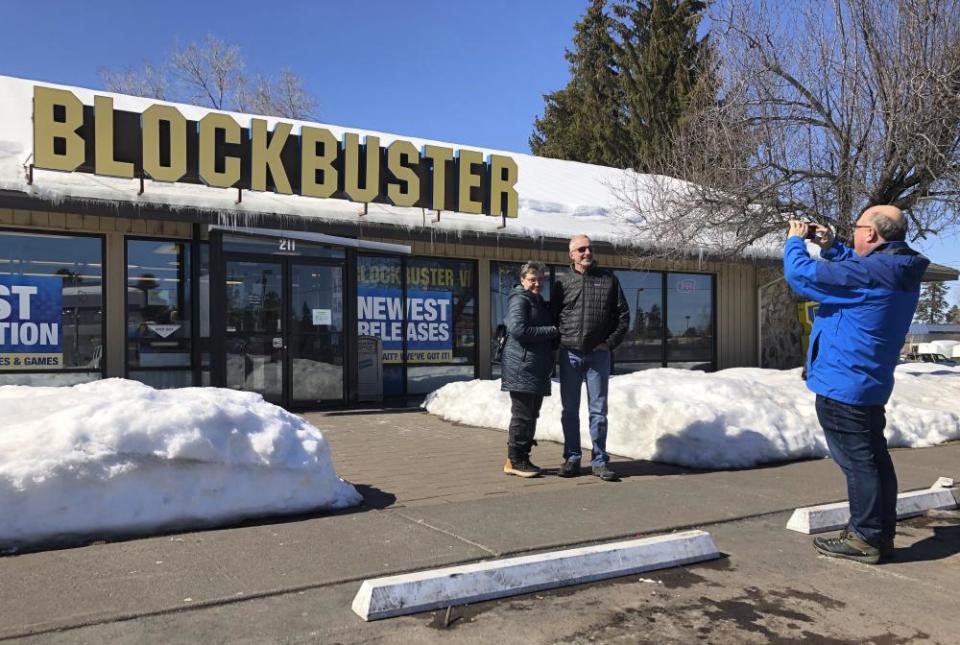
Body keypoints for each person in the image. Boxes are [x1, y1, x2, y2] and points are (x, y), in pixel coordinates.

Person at [783, 206, 929, 564]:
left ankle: (866, 537)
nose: (855, 231)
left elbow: (801, 276)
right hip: (866, 381)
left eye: (858, 227)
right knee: (874, 461)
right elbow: (855, 270)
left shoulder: (872, 273)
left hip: (844, 385)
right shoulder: (894, 269)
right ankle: (878, 532)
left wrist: (794, 241)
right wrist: (833, 246)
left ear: (872, 235)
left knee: (859, 464)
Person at [550, 234, 630, 481]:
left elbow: (623, 316)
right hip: (570, 354)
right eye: (581, 249)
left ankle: (599, 461)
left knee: (598, 411)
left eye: (590, 249)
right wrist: (558, 345)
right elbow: (553, 318)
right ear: (571, 255)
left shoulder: (608, 280)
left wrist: (609, 343)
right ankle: (572, 458)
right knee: (569, 410)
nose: (587, 253)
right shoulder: (562, 283)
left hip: (598, 356)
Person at [500, 262, 558, 477]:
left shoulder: (537, 301)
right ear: (523, 279)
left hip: (535, 367)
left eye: (541, 279)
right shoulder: (520, 299)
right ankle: (516, 461)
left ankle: (518, 457)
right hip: (521, 367)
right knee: (522, 415)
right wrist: (552, 331)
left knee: (531, 414)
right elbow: (518, 329)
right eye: (532, 279)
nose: (537, 283)